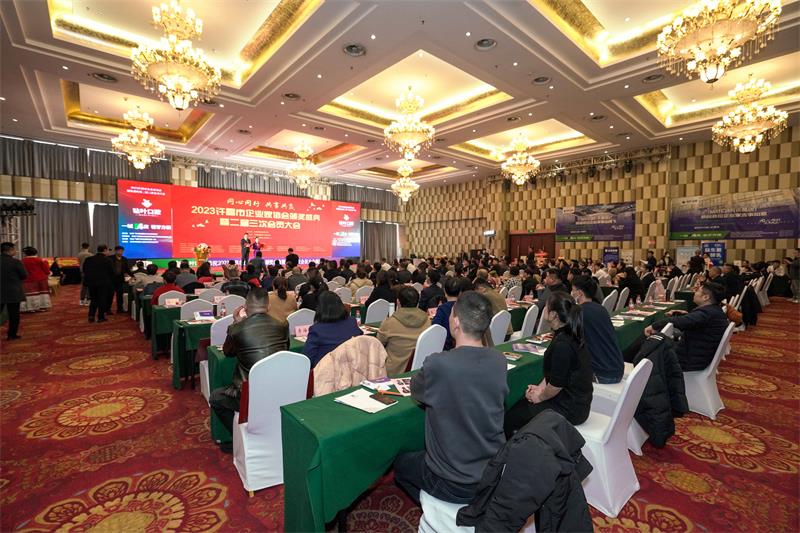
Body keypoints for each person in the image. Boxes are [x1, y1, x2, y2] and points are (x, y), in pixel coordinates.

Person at [393, 291, 507, 505]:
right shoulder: (499, 360)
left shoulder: (439, 364)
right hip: (492, 472)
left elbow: (416, 390)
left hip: (451, 481)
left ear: (455, 322)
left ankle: (436, 508)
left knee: (400, 465)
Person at [208, 288, 289, 451]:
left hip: (250, 395)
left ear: (245, 307)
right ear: (268, 307)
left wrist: (236, 322)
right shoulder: (282, 325)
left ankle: (239, 439)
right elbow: (285, 350)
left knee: (215, 398)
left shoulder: (238, 329)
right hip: (280, 389)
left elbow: (228, 353)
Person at [505, 292, 593, 436]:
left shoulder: (563, 344)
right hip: (572, 400)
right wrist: (540, 389)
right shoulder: (567, 333)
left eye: (546, 306)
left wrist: (540, 397)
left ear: (553, 315)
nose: (544, 309)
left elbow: (556, 385)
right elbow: (555, 375)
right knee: (520, 404)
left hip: (570, 408)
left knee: (512, 417)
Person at [645, 281, 729, 372]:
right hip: (698, 354)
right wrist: (680, 315)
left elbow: (683, 322)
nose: (695, 293)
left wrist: (654, 326)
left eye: (698, 291)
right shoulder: (714, 310)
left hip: (689, 360)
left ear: (706, 297)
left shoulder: (706, 313)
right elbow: (693, 321)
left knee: (649, 344)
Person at [571, 276, 624, 384]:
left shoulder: (579, 312)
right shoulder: (601, 309)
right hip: (617, 368)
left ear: (579, 293)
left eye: (573, 290)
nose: (571, 293)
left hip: (601, 374)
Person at [377, 286, 431, 375]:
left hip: (393, 372)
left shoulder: (390, 323)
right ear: (417, 302)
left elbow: (378, 344)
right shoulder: (427, 321)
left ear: (398, 302)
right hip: (419, 372)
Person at [303, 291, 363, 367]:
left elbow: (307, 359)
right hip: (352, 367)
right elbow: (361, 339)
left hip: (326, 371)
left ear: (320, 309)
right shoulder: (352, 322)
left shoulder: (317, 330)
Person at [1, 242, 27, 340]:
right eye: (14, 249)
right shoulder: (15, 262)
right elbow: (24, 275)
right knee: (14, 314)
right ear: (10, 250)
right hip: (13, 291)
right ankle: (11, 335)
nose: (15, 251)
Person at [82, 245, 114, 322]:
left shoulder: (88, 259)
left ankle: (91, 316)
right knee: (102, 299)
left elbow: (84, 270)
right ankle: (101, 317)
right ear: (105, 250)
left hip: (91, 283)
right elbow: (111, 272)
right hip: (103, 283)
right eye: (108, 250)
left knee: (93, 299)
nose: (108, 252)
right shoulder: (107, 260)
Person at [431, 276, 463, 350]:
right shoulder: (464, 306)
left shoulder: (442, 309)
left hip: (445, 347)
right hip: (462, 345)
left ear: (444, 291)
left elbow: (435, 328)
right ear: (460, 292)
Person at [20, 247, 51, 312]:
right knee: (42, 294)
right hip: (41, 279)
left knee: (30, 294)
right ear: (36, 252)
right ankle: (42, 307)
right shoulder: (42, 260)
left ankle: (30, 308)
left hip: (27, 280)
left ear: (25, 253)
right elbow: (47, 271)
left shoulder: (21, 261)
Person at [108, 246, 131, 313]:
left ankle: (120, 309)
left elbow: (127, 269)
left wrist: (132, 276)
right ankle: (108, 309)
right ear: (116, 251)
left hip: (120, 279)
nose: (121, 252)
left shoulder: (124, 259)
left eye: (122, 251)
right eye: (119, 251)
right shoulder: (110, 258)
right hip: (111, 279)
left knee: (120, 295)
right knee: (110, 295)